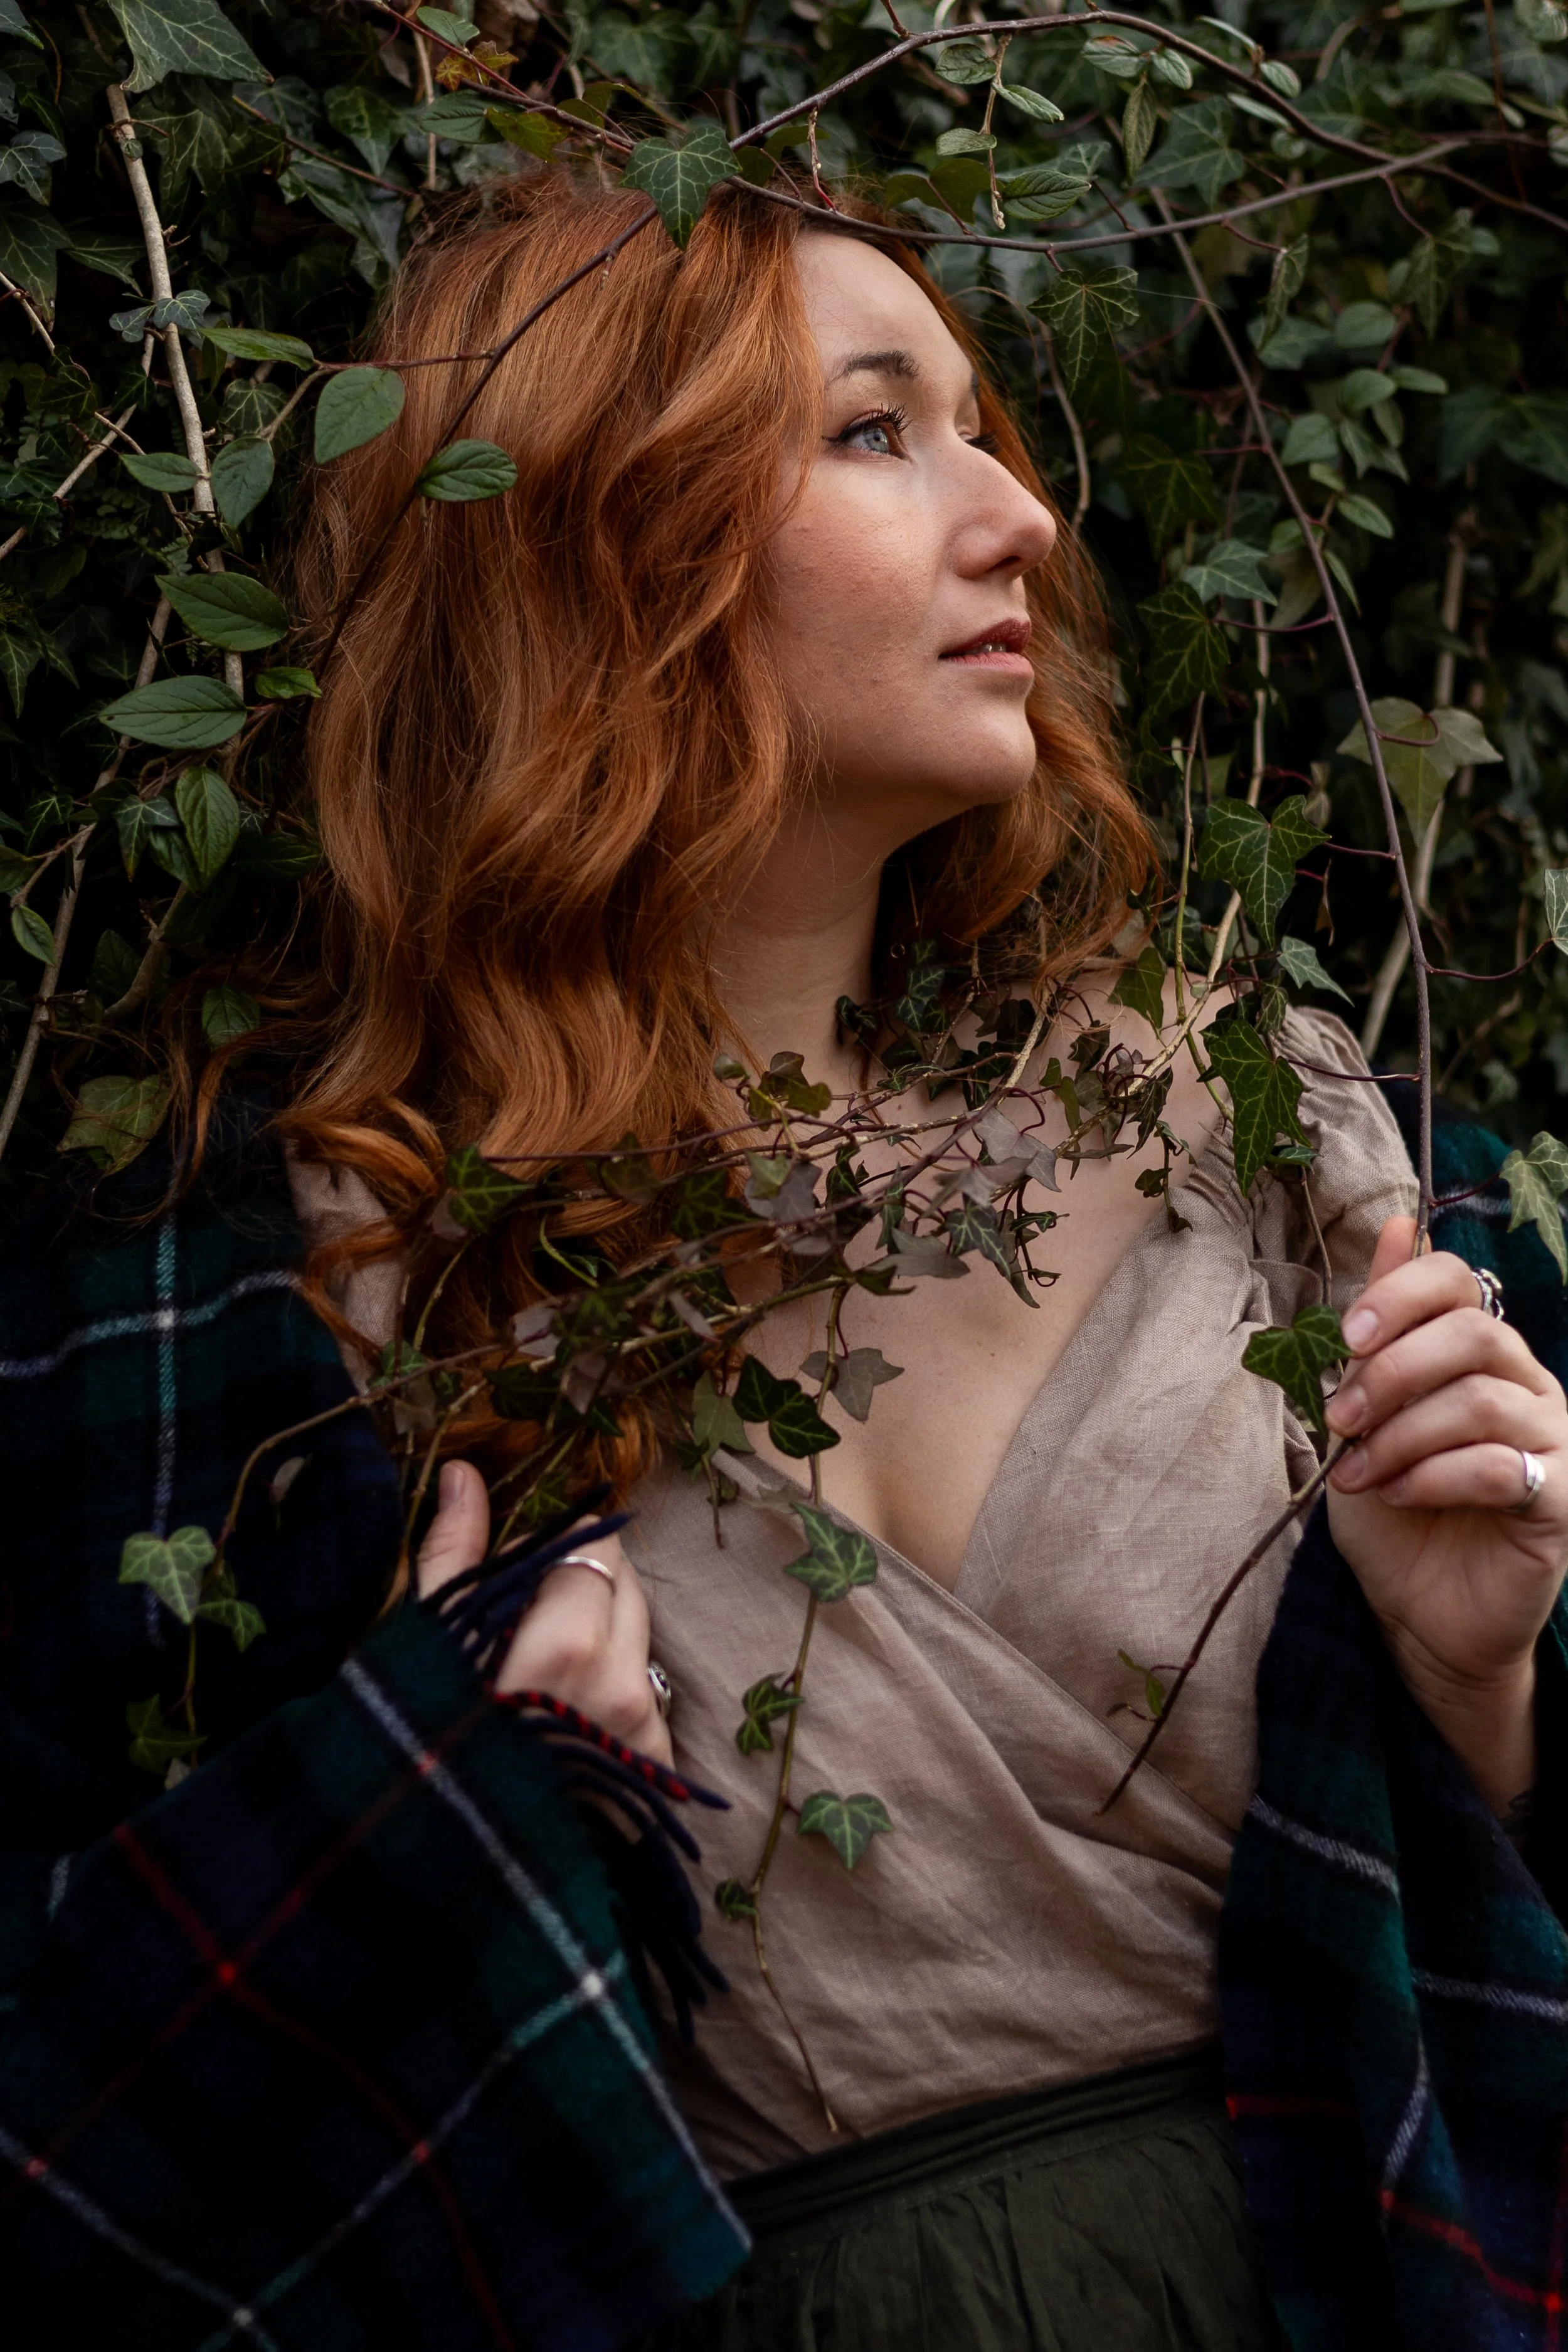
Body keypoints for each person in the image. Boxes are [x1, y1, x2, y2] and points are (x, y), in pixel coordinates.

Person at [4, 169, 1567, 2349]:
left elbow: (1493, 1982)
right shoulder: (258, 1292)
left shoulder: (1278, 1148)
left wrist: (1480, 1687)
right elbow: (69, 2140)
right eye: (872, 430)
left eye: (981, 426)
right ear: (599, 544)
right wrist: (420, 1810)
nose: (1018, 516)